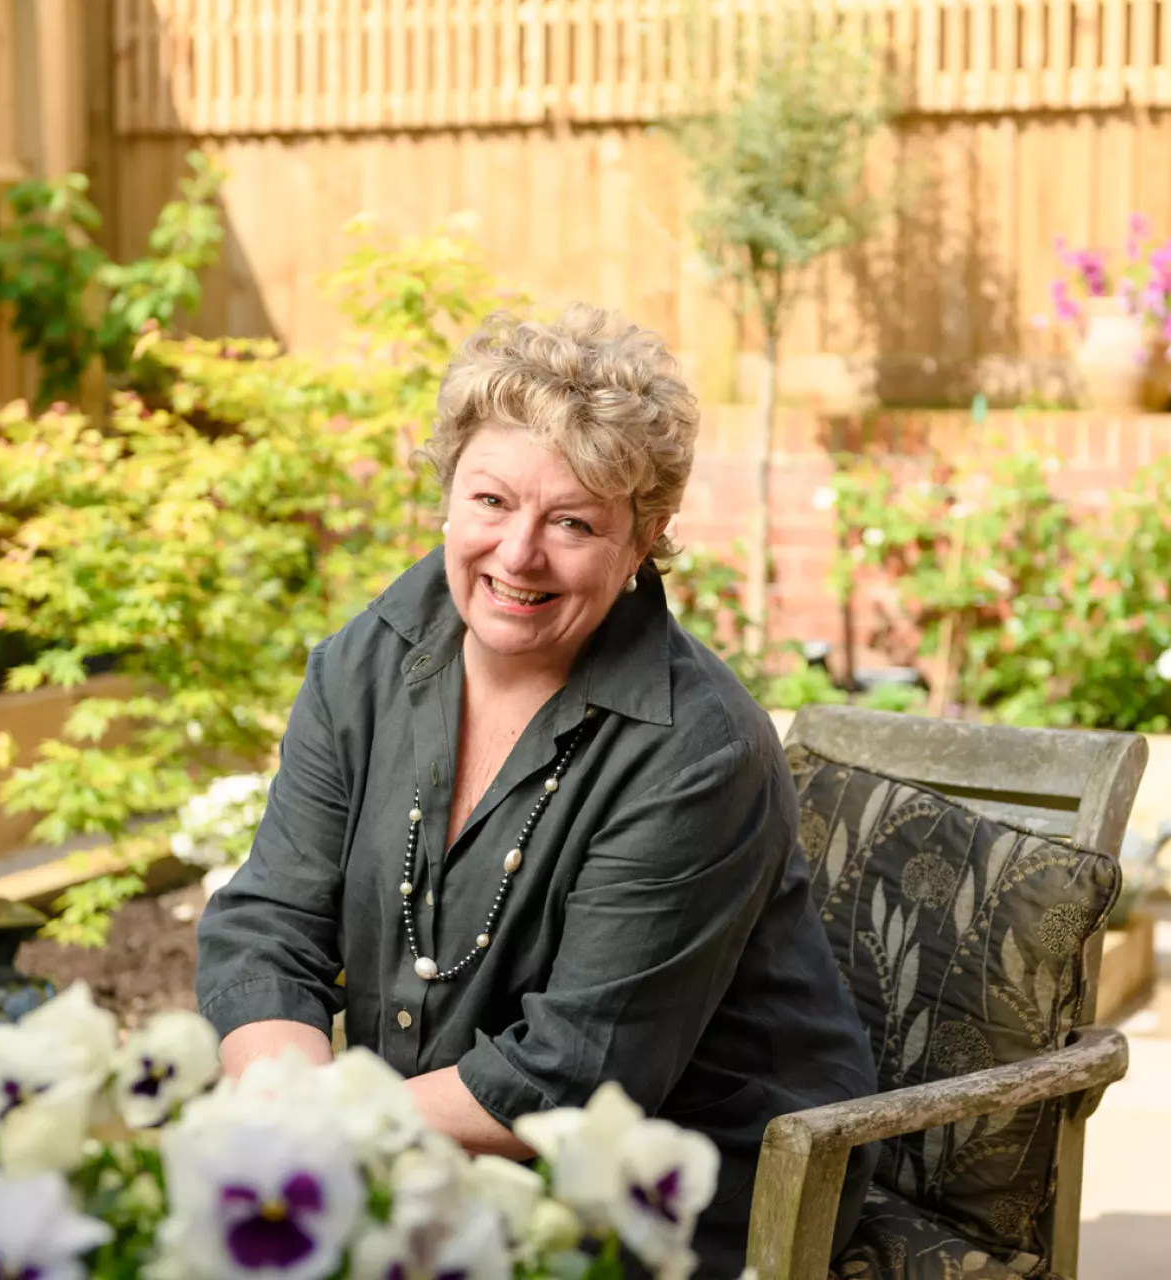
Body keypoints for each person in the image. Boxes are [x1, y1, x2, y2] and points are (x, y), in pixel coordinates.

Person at [196, 303, 879, 1277]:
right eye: (491, 502)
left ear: (643, 540)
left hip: (673, 1181)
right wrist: (289, 1111)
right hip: (428, 1142)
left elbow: (575, 1070)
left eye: (572, 522)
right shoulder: (369, 661)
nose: (517, 555)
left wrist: (326, 1139)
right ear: (447, 495)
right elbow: (269, 925)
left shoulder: (693, 746)